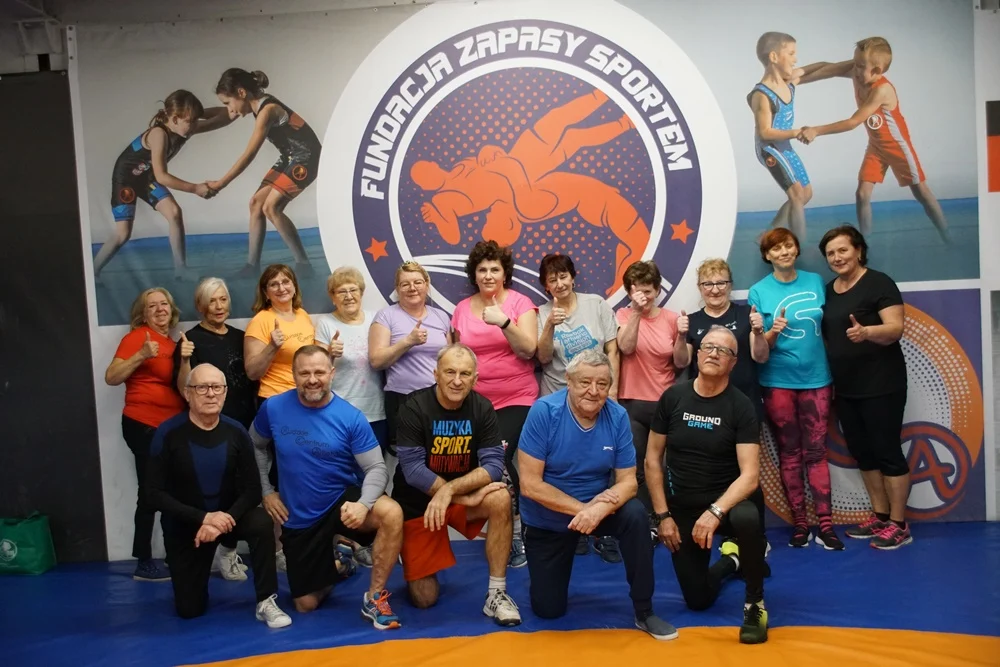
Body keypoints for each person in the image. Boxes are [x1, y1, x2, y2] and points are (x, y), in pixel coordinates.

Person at [411, 89, 648, 295]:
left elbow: (492, 163)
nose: (489, 213)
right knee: (568, 134)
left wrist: (489, 151)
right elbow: (452, 236)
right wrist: (436, 216)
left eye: (427, 167)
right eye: (424, 178)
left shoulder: (463, 167)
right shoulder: (446, 201)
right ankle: (622, 120)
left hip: (522, 162)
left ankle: (606, 99)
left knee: (565, 127)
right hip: (522, 174)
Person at [517, 349, 677, 641]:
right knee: (548, 609)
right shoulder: (544, 412)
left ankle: (644, 610)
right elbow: (530, 485)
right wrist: (584, 510)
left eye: (602, 384)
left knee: (636, 514)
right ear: (568, 381)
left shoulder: (617, 416)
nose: (593, 391)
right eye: (585, 382)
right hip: (549, 518)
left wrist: (597, 511)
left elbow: (628, 483)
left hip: (599, 509)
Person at [250, 345, 404, 629]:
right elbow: (255, 446)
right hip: (300, 515)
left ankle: (374, 598)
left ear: (332, 373)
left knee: (391, 513)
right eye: (304, 373)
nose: (312, 379)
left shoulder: (350, 416)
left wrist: (363, 504)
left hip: (341, 503)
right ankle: (341, 565)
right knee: (305, 604)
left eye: (319, 372)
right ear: (293, 375)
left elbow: (376, 467)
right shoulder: (273, 408)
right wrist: (266, 491)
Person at [645, 326, 769, 644]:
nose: (714, 353)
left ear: (733, 363)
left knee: (747, 516)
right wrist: (663, 516)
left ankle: (755, 604)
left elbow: (750, 476)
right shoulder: (673, 397)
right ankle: (733, 560)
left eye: (724, 350)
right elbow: (652, 460)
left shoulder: (741, 406)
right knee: (697, 600)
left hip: (728, 505)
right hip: (684, 507)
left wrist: (715, 511)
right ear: (697, 354)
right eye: (708, 347)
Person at [146, 364, 291, 628]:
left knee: (261, 521)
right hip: (187, 526)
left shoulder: (236, 432)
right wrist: (203, 518)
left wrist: (221, 520)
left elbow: (252, 490)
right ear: (188, 393)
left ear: (225, 392)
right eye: (202, 387)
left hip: (227, 519)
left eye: (216, 387)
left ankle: (266, 600)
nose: (210, 393)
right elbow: (152, 494)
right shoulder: (167, 433)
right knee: (190, 609)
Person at [391, 344, 522, 626]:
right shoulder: (414, 407)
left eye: (465, 374)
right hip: (419, 505)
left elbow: (494, 465)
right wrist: (459, 497)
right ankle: (410, 551)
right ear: (436, 374)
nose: (457, 380)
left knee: (501, 497)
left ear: (475, 378)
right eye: (450, 372)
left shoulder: (482, 407)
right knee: (424, 598)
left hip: (457, 497)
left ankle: (497, 594)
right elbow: (413, 471)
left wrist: (451, 491)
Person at [799, 38, 950, 243]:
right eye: (855, 63)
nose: (854, 69)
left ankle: (947, 237)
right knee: (862, 194)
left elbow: (853, 122)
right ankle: (866, 243)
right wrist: (794, 77)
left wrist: (816, 130)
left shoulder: (881, 90)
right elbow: (828, 68)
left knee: (921, 192)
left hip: (897, 147)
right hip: (876, 146)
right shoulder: (858, 71)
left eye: (860, 66)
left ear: (877, 70)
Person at [748, 229, 842, 550]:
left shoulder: (816, 282)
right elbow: (760, 348)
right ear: (767, 256)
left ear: (797, 249)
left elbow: (828, 330)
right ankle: (800, 524)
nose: (784, 252)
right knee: (789, 453)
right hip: (777, 381)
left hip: (818, 379)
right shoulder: (759, 291)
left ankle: (826, 525)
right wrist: (773, 331)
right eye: (776, 248)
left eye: (788, 245)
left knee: (816, 452)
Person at [819, 225, 910, 549]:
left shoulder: (879, 283)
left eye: (843, 250)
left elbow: (896, 329)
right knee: (863, 453)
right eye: (830, 253)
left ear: (858, 250)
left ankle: (899, 524)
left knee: (887, 452)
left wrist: (867, 332)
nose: (837, 257)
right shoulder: (829, 291)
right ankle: (880, 516)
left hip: (882, 384)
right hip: (846, 387)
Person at [451, 241, 538, 568]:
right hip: (475, 402)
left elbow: (529, 349)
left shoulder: (520, 303)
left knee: (496, 459)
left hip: (517, 397)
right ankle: (503, 526)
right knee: (482, 465)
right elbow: (457, 355)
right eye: (482, 270)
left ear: (505, 274)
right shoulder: (462, 309)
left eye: (494, 269)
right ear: (474, 275)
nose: (488, 275)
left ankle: (516, 533)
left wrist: (503, 322)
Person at [93, 91, 232, 281]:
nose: (195, 126)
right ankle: (93, 270)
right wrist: (195, 188)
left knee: (174, 213)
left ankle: (180, 269)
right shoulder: (159, 134)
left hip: (146, 178)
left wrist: (202, 112)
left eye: (196, 120)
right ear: (174, 119)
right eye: (191, 121)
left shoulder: (184, 127)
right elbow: (162, 176)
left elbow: (225, 116)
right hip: (126, 180)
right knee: (123, 233)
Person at [173, 277, 258, 581]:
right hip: (211, 431)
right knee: (215, 492)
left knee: (241, 491)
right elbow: (183, 389)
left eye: (223, 299)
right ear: (200, 306)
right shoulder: (191, 340)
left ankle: (229, 550)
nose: (219, 306)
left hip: (245, 426)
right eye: (212, 301)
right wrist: (185, 359)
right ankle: (210, 553)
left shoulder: (240, 337)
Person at [105, 287, 186, 581]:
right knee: (151, 491)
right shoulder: (138, 337)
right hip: (143, 423)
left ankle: (173, 555)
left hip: (171, 428)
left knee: (171, 491)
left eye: (164, 304)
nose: (160, 309)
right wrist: (141, 355)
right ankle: (143, 560)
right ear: (143, 314)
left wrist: (185, 360)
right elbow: (111, 377)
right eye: (152, 306)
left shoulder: (173, 343)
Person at [211, 69, 323, 276]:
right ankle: (252, 266)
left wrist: (220, 183)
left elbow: (249, 154)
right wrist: (193, 119)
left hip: (307, 157)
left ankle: (304, 264)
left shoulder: (267, 110)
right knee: (256, 203)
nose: (230, 109)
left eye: (228, 102)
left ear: (241, 92)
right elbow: (221, 116)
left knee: (272, 207)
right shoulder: (255, 105)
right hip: (290, 156)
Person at [315, 266, 386, 568]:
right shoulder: (325, 324)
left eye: (353, 289)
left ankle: (368, 541)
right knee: (343, 480)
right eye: (341, 291)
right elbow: (317, 369)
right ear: (333, 296)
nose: (348, 295)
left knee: (372, 479)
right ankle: (346, 541)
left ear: (361, 292)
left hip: (376, 412)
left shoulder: (375, 320)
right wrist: (330, 353)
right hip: (339, 417)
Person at [748, 33, 840, 242]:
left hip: (784, 145)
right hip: (769, 148)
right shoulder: (762, 94)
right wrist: (798, 132)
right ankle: (800, 246)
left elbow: (818, 69)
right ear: (773, 57)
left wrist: (852, 65)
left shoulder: (789, 82)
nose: (795, 59)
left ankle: (767, 234)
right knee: (797, 195)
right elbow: (765, 132)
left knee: (806, 193)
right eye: (790, 53)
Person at [615, 261, 679, 519]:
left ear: (657, 290)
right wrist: (636, 312)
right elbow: (626, 347)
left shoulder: (672, 318)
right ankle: (647, 520)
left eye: (648, 291)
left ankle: (671, 516)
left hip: (665, 403)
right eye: (638, 291)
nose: (644, 296)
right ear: (629, 292)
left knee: (667, 465)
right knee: (636, 466)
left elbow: (681, 362)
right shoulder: (623, 315)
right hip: (632, 403)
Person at [369, 261, 453, 455]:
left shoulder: (441, 317)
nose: (412, 288)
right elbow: (376, 361)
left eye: (417, 282)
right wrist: (408, 341)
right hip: (403, 399)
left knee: (441, 455)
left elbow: (449, 359)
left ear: (426, 285)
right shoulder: (386, 316)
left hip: (439, 398)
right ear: (398, 289)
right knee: (409, 459)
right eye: (405, 284)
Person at [674, 258, 768, 422]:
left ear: (730, 285)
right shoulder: (691, 321)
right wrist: (681, 336)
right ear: (700, 288)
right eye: (708, 284)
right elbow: (681, 363)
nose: (715, 290)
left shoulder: (746, 314)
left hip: (744, 400)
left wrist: (758, 332)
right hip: (704, 404)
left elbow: (761, 357)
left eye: (721, 283)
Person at [536, 253, 619, 399]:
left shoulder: (597, 303)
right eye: (553, 280)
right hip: (556, 393)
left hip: (595, 393)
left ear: (572, 278)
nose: (560, 284)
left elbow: (613, 351)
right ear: (546, 286)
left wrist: (612, 392)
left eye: (563, 277)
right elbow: (544, 358)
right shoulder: (541, 313)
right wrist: (550, 324)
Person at [244, 264, 315, 402]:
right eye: (274, 284)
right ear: (266, 293)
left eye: (286, 282)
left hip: (304, 394)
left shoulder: (303, 315)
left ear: (294, 287)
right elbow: (252, 373)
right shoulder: (260, 321)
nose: (281, 288)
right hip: (276, 396)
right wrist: (272, 346)